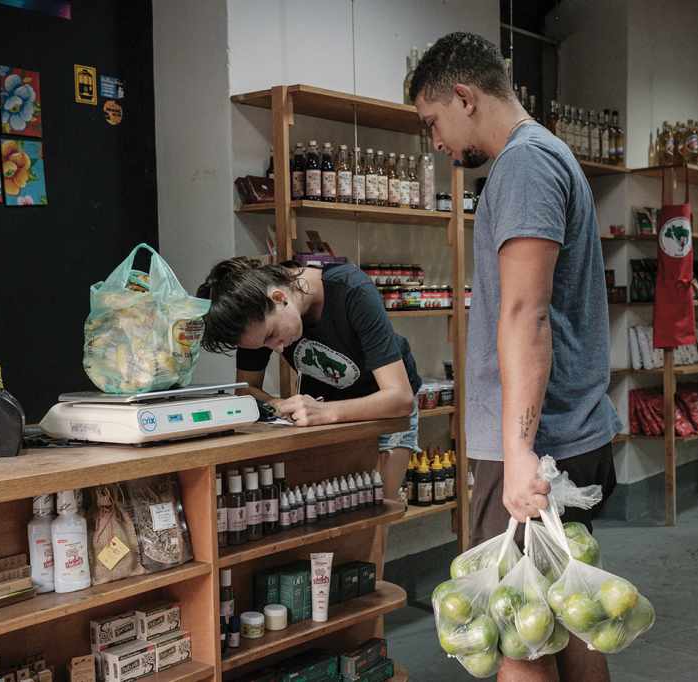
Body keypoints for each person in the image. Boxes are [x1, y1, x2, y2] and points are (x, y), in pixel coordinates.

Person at [410, 33, 622, 682]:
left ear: (465, 98)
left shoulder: (526, 165)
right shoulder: (546, 157)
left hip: (533, 446)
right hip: (566, 429)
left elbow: (525, 316)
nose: (436, 143)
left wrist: (520, 451)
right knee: (565, 611)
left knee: (516, 630)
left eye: (433, 122)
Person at [197, 257, 421, 500]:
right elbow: (245, 390)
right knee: (327, 511)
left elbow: (400, 398)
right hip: (325, 416)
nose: (278, 349)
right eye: (265, 343)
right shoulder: (255, 316)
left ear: (279, 298)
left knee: (377, 509)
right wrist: (278, 404)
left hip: (383, 409)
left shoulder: (352, 290)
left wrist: (326, 412)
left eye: (272, 335)